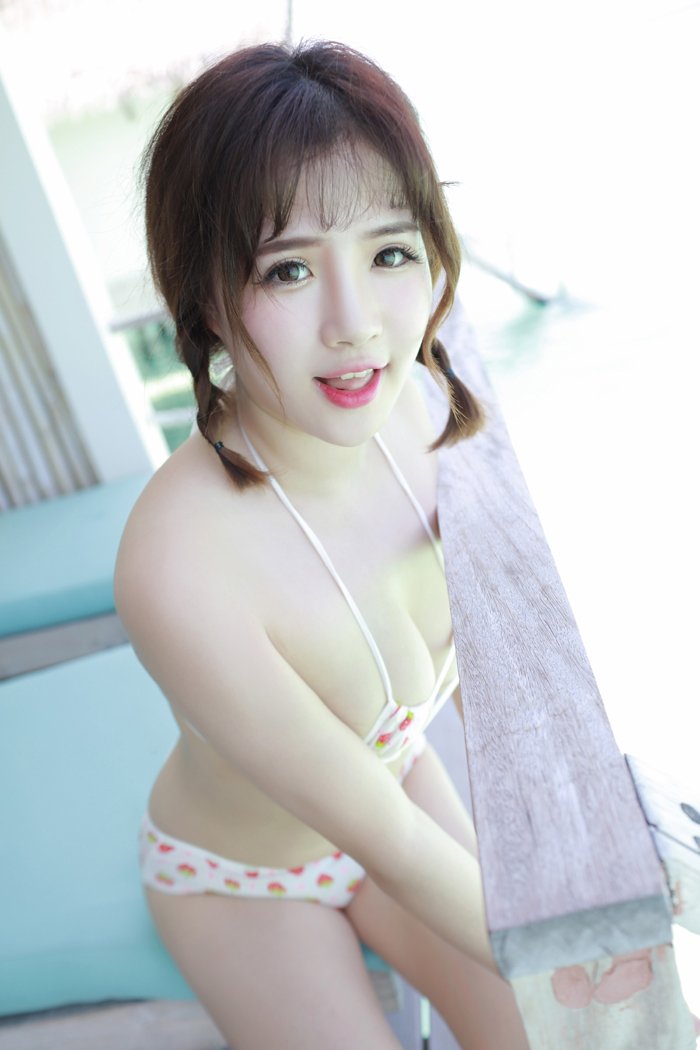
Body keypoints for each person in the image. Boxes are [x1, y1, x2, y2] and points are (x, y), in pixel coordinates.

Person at [115, 40, 530, 1049]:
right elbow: (389, 845)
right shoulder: (176, 565)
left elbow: (510, 686)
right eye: (290, 269)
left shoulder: (427, 409)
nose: (355, 327)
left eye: (389, 253)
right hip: (239, 878)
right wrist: (584, 949)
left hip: (394, 786)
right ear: (204, 296)